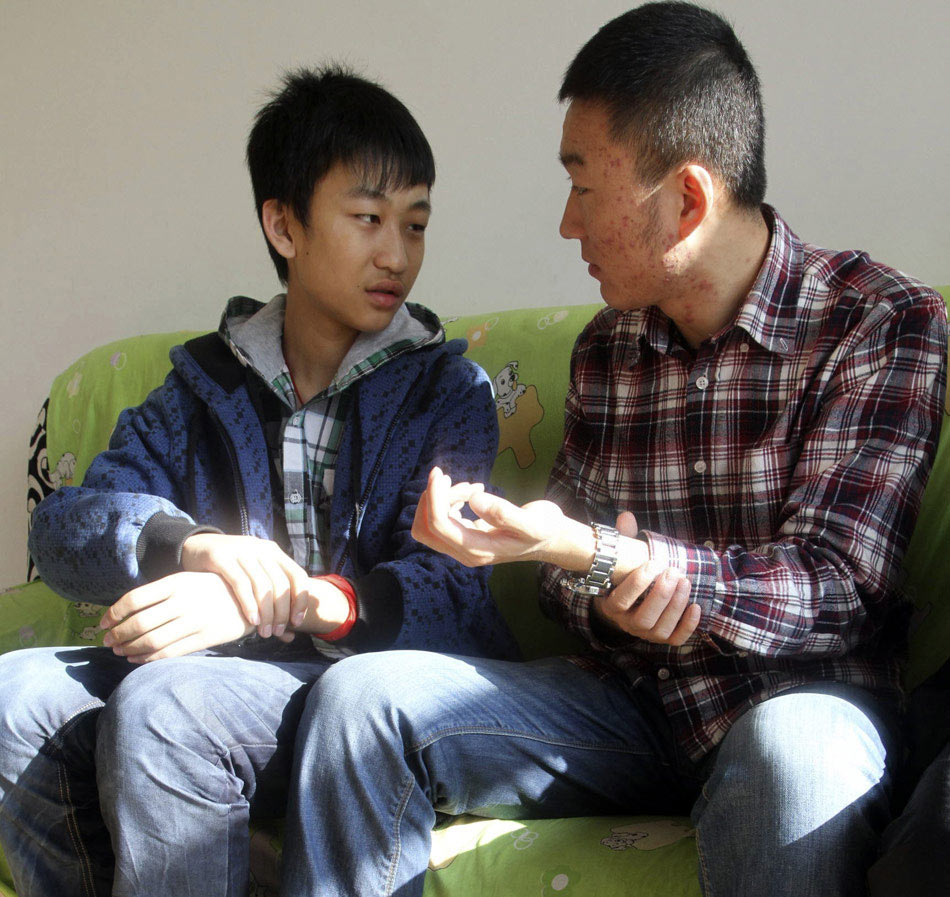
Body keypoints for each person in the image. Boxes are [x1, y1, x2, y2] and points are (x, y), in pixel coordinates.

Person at [277, 5, 948, 897]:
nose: (566, 223)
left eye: (584, 187)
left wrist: (631, 563)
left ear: (688, 200)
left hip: (802, 704)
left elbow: (838, 588)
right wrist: (576, 569)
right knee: (361, 700)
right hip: (628, 711)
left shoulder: (878, 322)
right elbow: (564, 584)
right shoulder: (606, 347)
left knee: (797, 756)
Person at [0, 66, 518, 897]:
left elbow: (454, 593)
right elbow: (66, 528)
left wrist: (281, 598)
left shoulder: (446, 393)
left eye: (415, 224)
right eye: (368, 218)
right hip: (215, 682)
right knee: (12, 694)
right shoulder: (202, 383)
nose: (397, 254)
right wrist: (196, 548)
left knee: (166, 703)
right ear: (284, 224)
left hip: (354, 694)